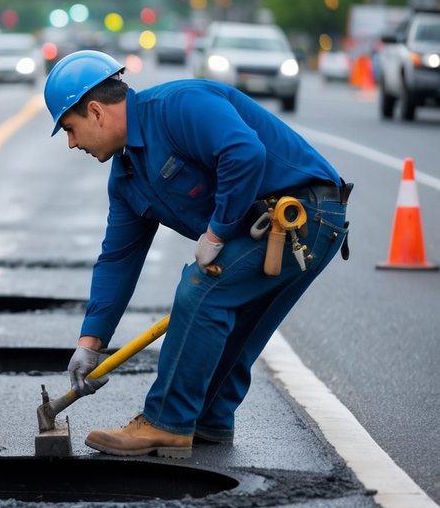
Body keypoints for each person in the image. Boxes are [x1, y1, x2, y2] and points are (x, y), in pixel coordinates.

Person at [45, 50, 351, 458]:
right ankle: (209, 417)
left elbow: (245, 153)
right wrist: (91, 341)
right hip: (291, 224)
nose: (70, 143)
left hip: (304, 214)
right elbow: (118, 259)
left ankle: (165, 422)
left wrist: (217, 232)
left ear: (96, 112)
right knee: (237, 314)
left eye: (70, 128)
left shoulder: (178, 106)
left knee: (200, 289)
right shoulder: (126, 178)